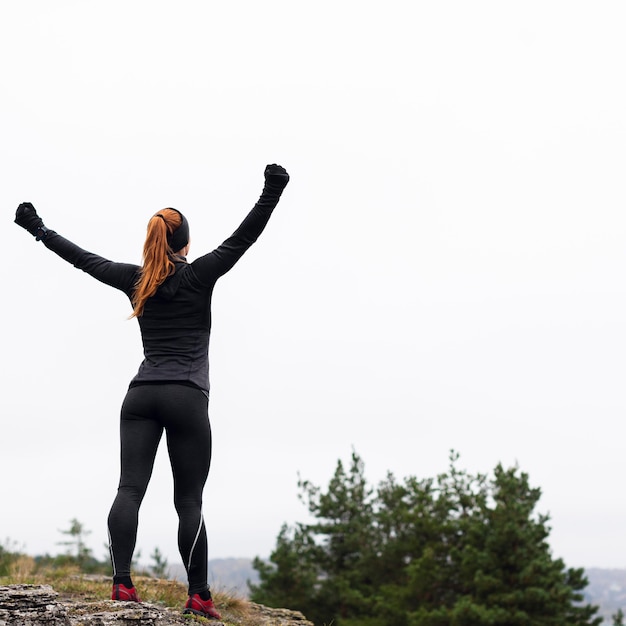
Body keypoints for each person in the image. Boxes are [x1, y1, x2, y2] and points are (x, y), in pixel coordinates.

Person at [14, 164, 290, 620]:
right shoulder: (200, 275)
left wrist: (39, 230)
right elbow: (245, 236)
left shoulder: (136, 279)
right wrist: (272, 190)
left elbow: (84, 259)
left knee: (129, 489)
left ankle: (122, 583)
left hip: (140, 396)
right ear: (185, 243)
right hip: (186, 396)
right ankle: (199, 594)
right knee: (189, 502)